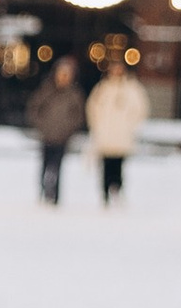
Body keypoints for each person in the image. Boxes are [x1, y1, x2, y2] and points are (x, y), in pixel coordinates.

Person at [84, 52, 146, 205]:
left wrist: (130, 125)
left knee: (118, 164)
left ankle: (117, 189)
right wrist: (97, 125)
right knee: (106, 164)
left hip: (121, 134)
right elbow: (93, 108)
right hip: (106, 133)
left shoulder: (131, 88)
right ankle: (105, 191)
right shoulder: (103, 88)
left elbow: (140, 109)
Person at [27, 54, 87, 205]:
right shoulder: (46, 91)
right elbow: (34, 108)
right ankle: (43, 191)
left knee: (57, 167)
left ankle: (55, 195)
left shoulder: (74, 95)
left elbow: (79, 115)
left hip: (62, 137)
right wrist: (41, 126)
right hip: (47, 135)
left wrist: (69, 129)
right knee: (45, 165)